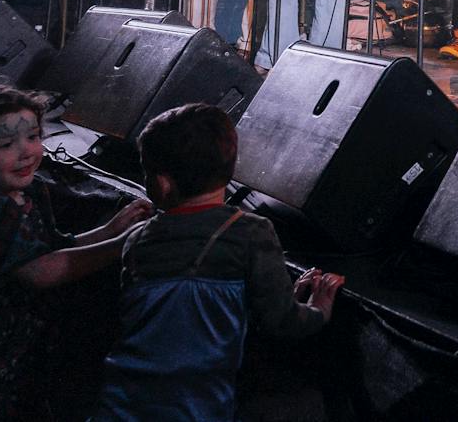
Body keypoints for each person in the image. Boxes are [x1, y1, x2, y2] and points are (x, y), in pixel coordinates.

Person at [94, 103, 342, 421]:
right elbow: (283, 323)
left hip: (123, 401)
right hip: (196, 408)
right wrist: (318, 309)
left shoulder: (137, 241)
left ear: (163, 183)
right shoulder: (251, 232)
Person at [0, 84, 151, 420]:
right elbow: (40, 272)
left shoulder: (28, 190)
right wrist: (122, 245)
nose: (26, 152)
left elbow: (53, 248)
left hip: (19, 343)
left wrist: (109, 230)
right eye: (6, 144)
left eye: (33, 137)